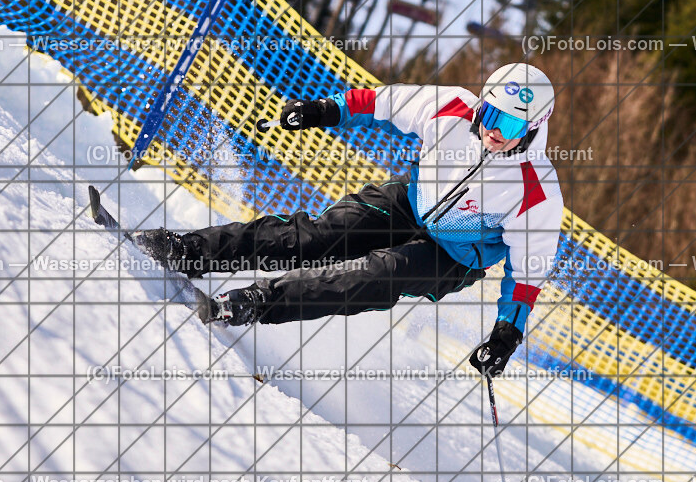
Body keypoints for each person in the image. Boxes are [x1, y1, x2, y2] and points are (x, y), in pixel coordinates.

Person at [130, 63, 563, 377]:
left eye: (509, 123)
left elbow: (526, 276)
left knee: (374, 274)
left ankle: (258, 302)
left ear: (534, 126)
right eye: (489, 113)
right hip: (408, 202)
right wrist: (324, 111)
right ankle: (187, 251)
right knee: (316, 237)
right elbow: (382, 101)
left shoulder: (537, 191)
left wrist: (507, 335)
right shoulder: (451, 108)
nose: (493, 130)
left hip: (452, 257)